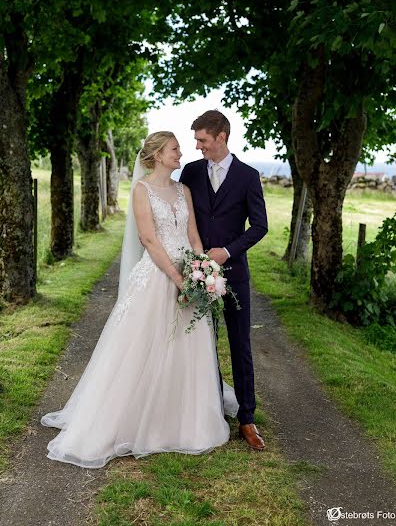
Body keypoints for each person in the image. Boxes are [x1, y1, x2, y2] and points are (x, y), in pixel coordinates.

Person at [41, 131, 237, 469]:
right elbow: (149, 239)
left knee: (187, 347)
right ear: (159, 154)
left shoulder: (184, 190)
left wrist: (201, 270)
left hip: (188, 274)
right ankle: (132, 420)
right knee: (144, 346)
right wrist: (177, 279)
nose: (181, 154)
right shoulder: (141, 190)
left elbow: (192, 236)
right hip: (157, 277)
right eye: (175, 149)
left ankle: (184, 421)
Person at [180, 110, 268, 451]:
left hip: (234, 272)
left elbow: (260, 226)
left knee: (239, 344)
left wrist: (228, 252)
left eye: (202, 140)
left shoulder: (248, 176)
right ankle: (213, 407)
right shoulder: (190, 172)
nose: (198, 146)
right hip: (196, 271)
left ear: (222, 137)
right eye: (196, 140)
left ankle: (247, 417)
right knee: (203, 342)